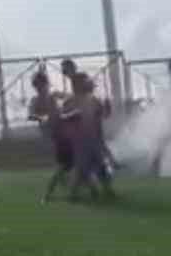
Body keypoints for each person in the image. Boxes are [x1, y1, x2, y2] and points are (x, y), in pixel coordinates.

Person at [62, 73, 116, 201]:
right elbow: (63, 118)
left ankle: (106, 190)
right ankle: (74, 194)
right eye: (83, 82)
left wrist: (108, 109)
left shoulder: (94, 100)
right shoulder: (69, 101)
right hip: (79, 141)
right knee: (82, 167)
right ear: (76, 85)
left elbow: (103, 116)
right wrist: (73, 115)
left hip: (94, 139)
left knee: (101, 166)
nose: (87, 83)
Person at [28, 67, 73, 203]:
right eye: (39, 85)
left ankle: (67, 189)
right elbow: (31, 116)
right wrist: (43, 118)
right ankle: (48, 195)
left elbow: (69, 96)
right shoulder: (35, 100)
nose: (42, 87)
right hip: (54, 136)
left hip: (63, 133)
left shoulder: (53, 95)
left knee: (66, 165)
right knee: (64, 165)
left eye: (43, 84)